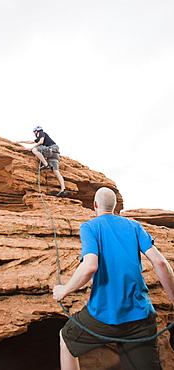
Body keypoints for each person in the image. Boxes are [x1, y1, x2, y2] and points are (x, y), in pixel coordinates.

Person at [53, 187, 174, 370]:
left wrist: (65, 289)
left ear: (95, 205)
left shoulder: (90, 227)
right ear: (115, 206)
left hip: (102, 316)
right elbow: (160, 262)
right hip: (140, 316)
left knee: (66, 338)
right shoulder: (134, 226)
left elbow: (90, 266)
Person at [16, 126, 68, 197]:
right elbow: (30, 141)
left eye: (34, 133)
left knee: (34, 150)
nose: (34, 134)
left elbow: (41, 142)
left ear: (36, 131)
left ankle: (45, 164)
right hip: (55, 153)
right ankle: (63, 189)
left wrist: (33, 148)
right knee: (56, 171)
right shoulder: (41, 136)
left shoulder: (41, 133)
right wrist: (20, 141)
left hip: (51, 149)